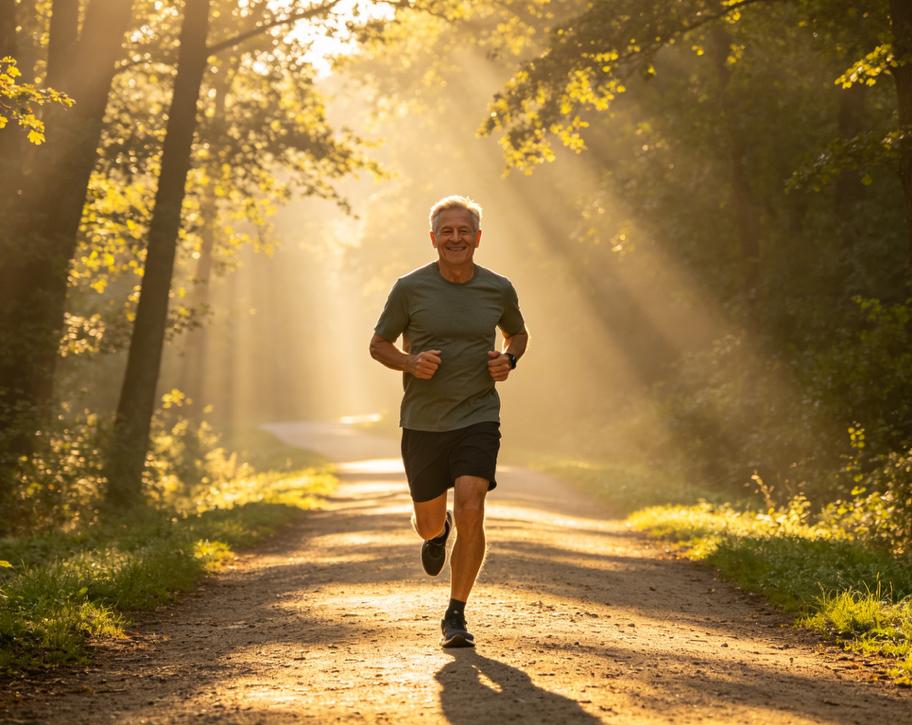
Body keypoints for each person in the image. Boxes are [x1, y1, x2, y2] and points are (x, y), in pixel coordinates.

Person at [369, 195, 529, 648]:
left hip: (478, 412)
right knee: (427, 522)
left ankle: (456, 613)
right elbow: (379, 344)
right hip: (423, 420)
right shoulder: (409, 288)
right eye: (447, 231)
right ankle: (437, 533)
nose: (455, 238)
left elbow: (517, 332)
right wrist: (409, 362)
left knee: (472, 505)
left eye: (464, 231)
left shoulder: (498, 288)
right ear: (434, 238)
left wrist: (509, 359)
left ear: (477, 238)